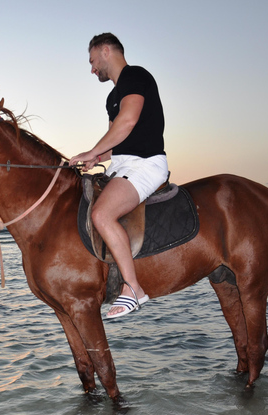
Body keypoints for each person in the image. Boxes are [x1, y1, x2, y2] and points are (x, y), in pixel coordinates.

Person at [69, 33, 169, 320]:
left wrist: (91, 151)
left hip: (145, 164)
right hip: (123, 164)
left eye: (91, 61)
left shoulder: (135, 76)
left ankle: (134, 288)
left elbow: (128, 121)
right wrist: (94, 158)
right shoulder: (112, 96)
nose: (91, 69)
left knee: (102, 215)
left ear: (105, 50)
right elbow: (116, 143)